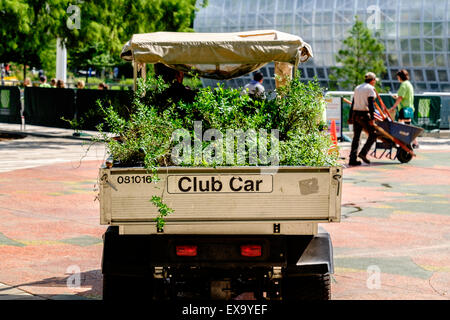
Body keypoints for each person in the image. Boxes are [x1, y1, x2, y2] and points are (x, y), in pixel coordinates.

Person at [348, 72, 379, 166]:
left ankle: (352, 159)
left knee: (356, 137)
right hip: (364, 114)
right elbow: (371, 104)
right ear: (373, 80)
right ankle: (363, 153)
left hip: (355, 114)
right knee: (373, 134)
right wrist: (372, 118)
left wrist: (350, 117)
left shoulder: (358, 88)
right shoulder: (370, 89)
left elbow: (353, 103)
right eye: (375, 81)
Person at [389, 69, 418, 148]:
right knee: (407, 125)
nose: (397, 78)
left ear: (400, 77)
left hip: (404, 109)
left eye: (398, 77)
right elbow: (403, 96)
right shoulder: (409, 84)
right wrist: (397, 97)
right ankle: (415, 143)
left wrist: (393, 107)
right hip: (409, 108)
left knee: (403, 125)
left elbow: (401, 97)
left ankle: (406, 142)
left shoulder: (404, 85)